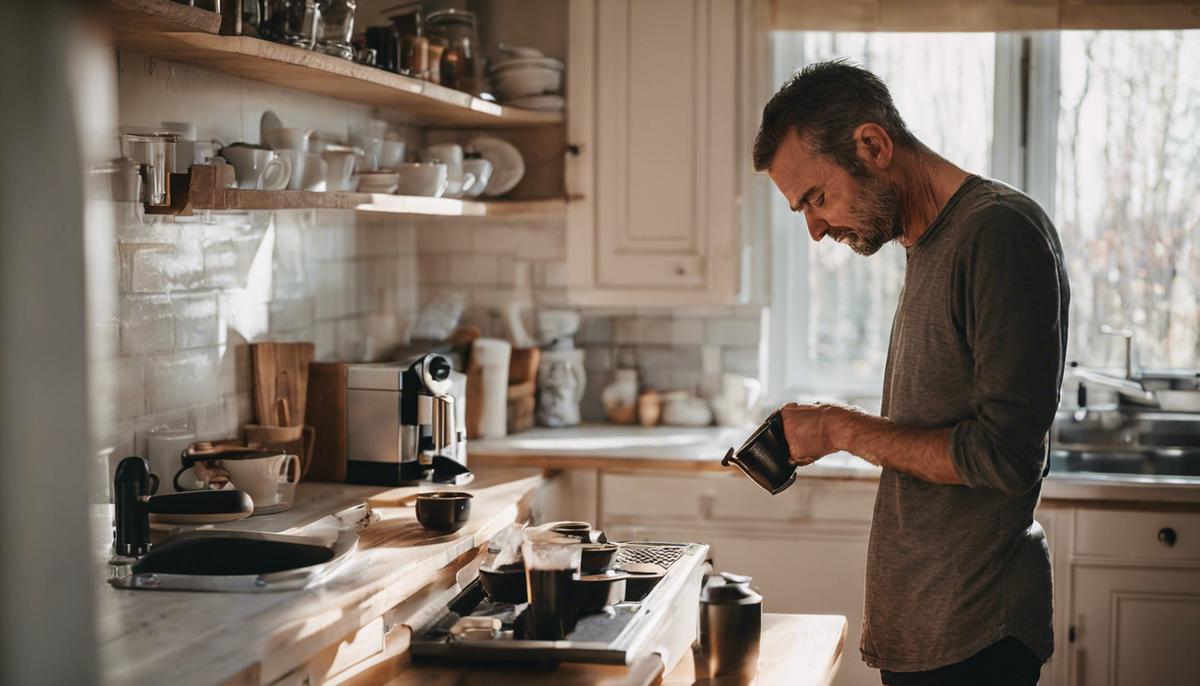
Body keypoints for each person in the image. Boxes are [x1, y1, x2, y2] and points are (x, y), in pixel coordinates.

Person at [752, 60, 1069, 685]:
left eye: (816, 198)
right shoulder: (927, 243)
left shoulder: (998, 232)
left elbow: (1007, 457)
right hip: (929, 630)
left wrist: (841, 430)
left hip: (976, 638)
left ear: (873, 145)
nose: (815, 229)